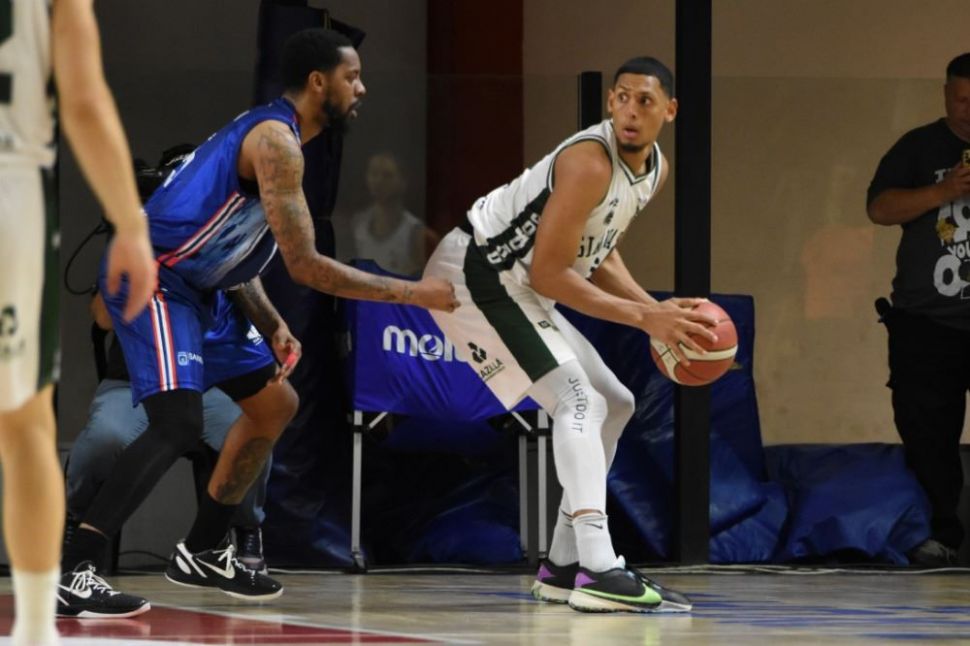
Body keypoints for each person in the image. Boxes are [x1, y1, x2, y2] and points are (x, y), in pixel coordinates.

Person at [57, 27, 458, 617]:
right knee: (177, 423)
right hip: (154, 275)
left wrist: (270, 323)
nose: (362, 88)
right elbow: (307, 267)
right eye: (352, 77)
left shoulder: (281, 141)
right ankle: (78, 568)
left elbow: (229, 253)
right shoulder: (276, 142)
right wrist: (414, 294)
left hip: (200, 286)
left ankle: (202, 549)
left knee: (276, 405)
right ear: (318, 82)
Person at [424, 57, 715, 613]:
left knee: (616, 402)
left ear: (670, 111)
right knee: (578, 400)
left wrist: (650, 307)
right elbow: (550, 274)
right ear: (609, 102)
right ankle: (599, 566)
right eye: (623, 97)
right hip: (475, 275)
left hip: (517, 283)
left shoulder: (654, 170)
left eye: (645, 101)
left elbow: (597, 250)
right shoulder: (589, 162)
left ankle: (562, 565)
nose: (631, 111)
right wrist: (645, 319)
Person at [0, 0, 157, 643]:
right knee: (25, 424)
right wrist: (130, 224)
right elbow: (85, 100)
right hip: (12, 189)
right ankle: (37, 628)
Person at [65, 293, 274, 574]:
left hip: (207, 385)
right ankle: (77, 521)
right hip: (134, 384)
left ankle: (248, 528)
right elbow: (103, 318)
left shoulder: (218, 269)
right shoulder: (137, 264)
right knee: (104, 438)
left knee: (253, 432)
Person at [867, 52, 970, 567]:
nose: (969, 110)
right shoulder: (919, 145)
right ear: (946, 95)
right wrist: (943, 191)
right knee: (928, 433)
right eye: (962, 100)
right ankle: (940, 534)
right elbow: (879, 208)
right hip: (927, 323)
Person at [350, 152, 440, 276]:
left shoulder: (418, 235)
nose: (378, 181)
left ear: (403, 182)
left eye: (387, 175)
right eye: (374, 174)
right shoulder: (357, 225)